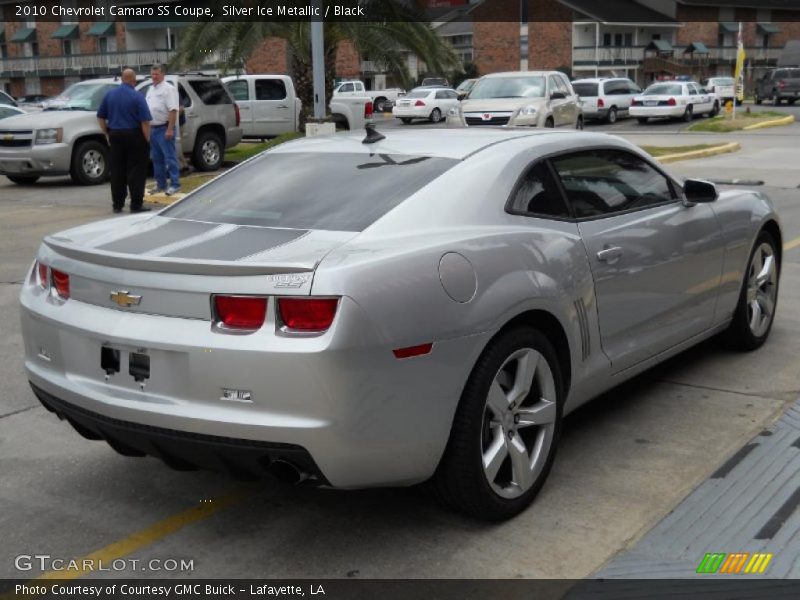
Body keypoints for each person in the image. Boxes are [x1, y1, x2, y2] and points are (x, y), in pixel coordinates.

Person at [96, 68, 152, 213]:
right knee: (136, 171)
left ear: (122, 79)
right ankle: (136, 205)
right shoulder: (137, 96)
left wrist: (106, 133)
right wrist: (147, 140)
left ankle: (117, 204)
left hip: (115, 135)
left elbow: (100, 116)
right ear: (133, 81)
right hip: (134, 135)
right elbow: (145, 121)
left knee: (117, 171)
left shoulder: (109, 95)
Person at [145, 64, 181, 195]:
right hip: (153, 128)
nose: (154, 77)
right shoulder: (150, 90)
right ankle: (161, 184)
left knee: (170, 158)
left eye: (156, 74)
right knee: (157, 159)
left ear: (163, 75)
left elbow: (173, 110)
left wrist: (170, 129)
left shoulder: (168, 89)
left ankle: (175, 184)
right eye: (152, 74)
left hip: (164, 128)